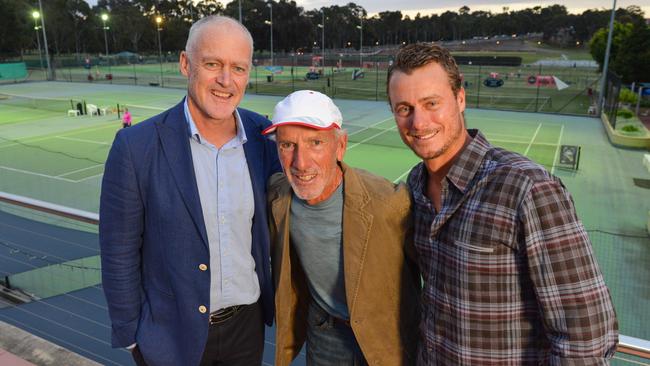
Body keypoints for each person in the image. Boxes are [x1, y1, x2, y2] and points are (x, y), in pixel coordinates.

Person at [386, 43, 618, 365]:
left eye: (431, 103)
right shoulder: (415, 187)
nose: (419, 122)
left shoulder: (528, 189)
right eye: (404, 108)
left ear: (460, 98)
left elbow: (586, 336)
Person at [99, 15, 280, 366]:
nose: (226, 81)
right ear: (186, 63)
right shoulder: (135, 146)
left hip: (247, 328)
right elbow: (118, 250)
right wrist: (132, 338)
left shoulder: (264, 137)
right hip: (168, 335)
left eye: (238, 68)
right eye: (213, 64)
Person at [263, 90, 420, 366]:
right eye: (287, 145)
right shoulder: (277, 198)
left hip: (385, 335)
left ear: (341, 146)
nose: (300, 163)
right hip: (325, 333)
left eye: (315, 143)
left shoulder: (390, 202)